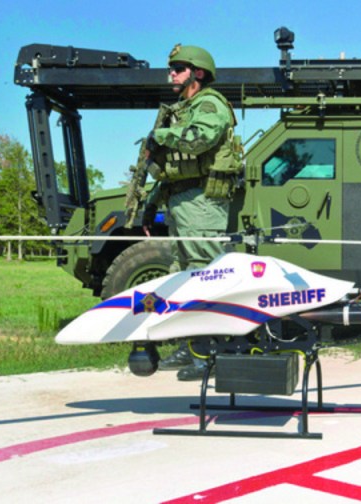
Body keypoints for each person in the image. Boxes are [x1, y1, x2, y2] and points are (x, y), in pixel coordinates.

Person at [141, 44, 240, 381]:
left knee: (205, 274)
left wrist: (160, 135)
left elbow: (199, 139)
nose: (172, 73)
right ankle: (192, 346)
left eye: (179, 68)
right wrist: (151, 203)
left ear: (197, 73)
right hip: (182, 203)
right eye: (172, 68)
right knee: (182, 275)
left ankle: (213, 351)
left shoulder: (209, 104)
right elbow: (174, 169)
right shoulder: (184, 108)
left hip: (203, 203)